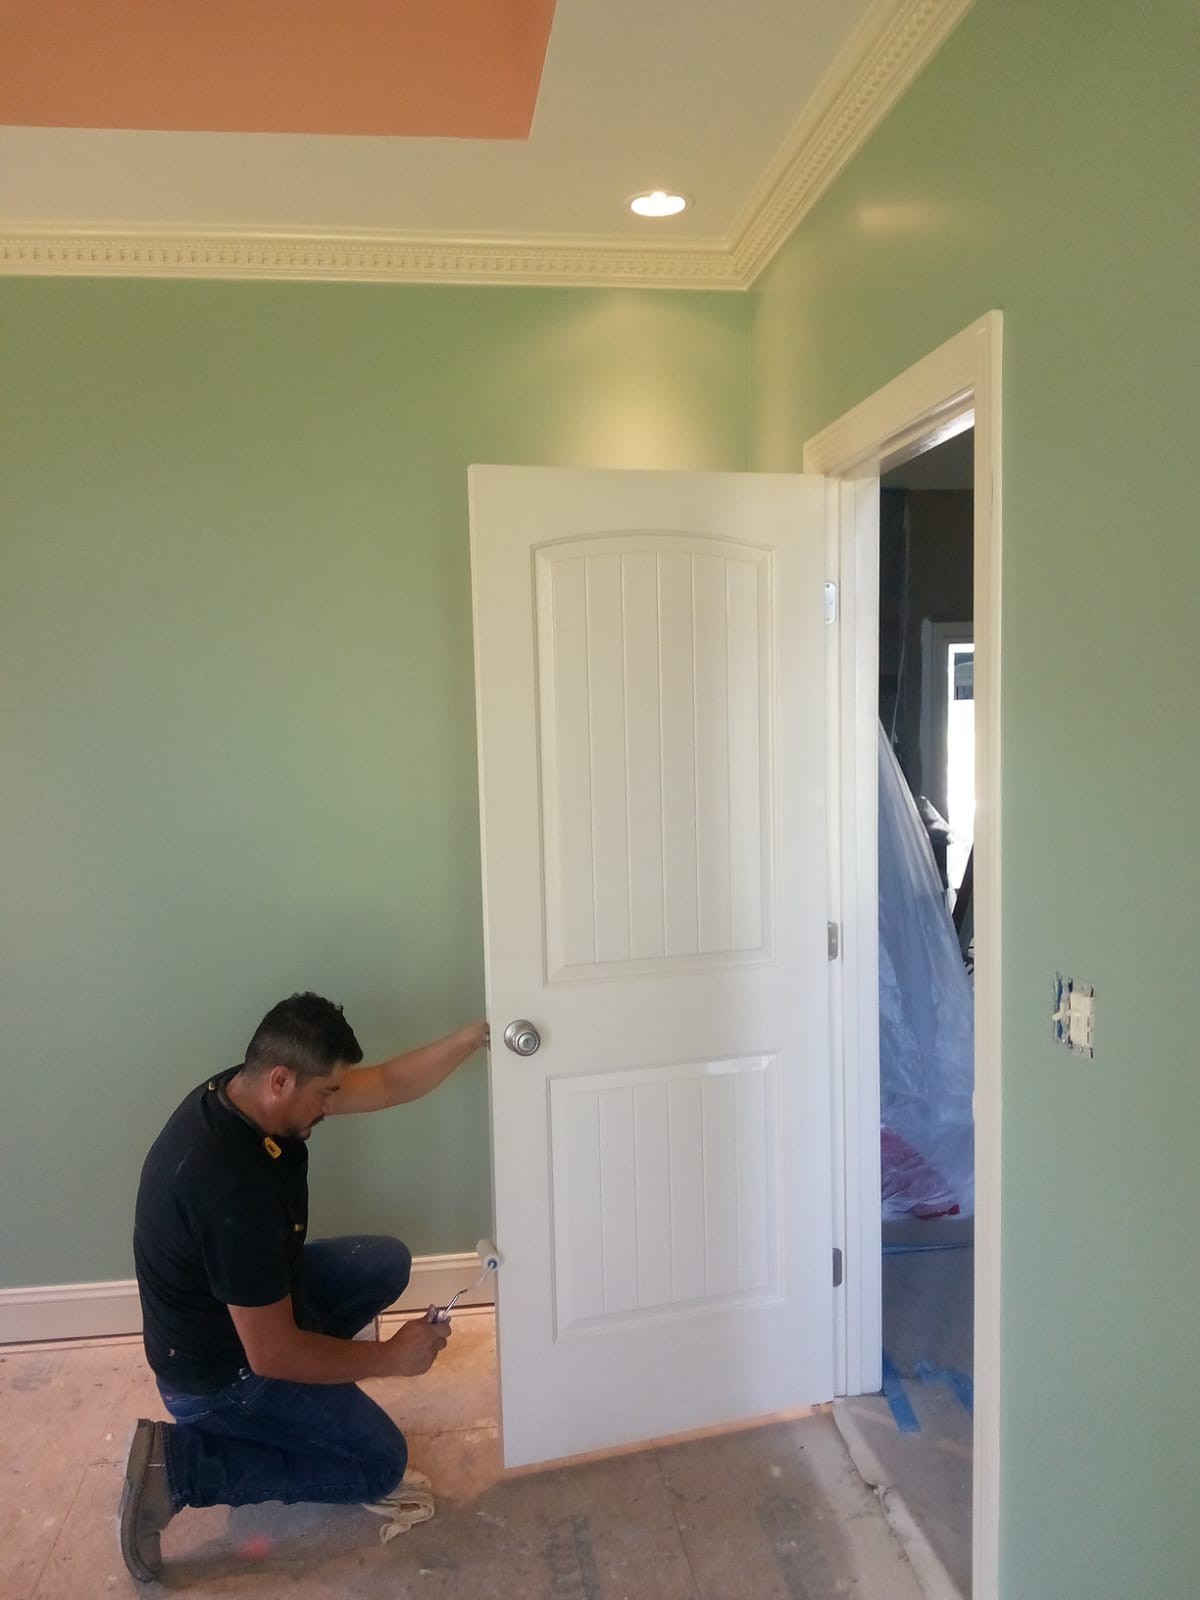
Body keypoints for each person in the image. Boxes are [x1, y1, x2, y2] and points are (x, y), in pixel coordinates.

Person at [119, 992, 489, 1583]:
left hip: (248, 1306)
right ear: (282, 1081)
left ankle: (303, 1399)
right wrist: (391, 1358)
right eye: (326, 1094)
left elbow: (388, 1082)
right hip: (219, 1377)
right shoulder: (231, 1192)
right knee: (379, 1464)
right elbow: (271, 1354)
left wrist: (474, 1036)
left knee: (383, 1262)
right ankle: (184, 1468)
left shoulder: (246, 1092)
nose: (332, 1105)